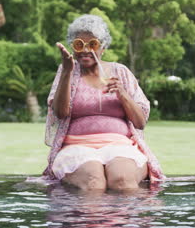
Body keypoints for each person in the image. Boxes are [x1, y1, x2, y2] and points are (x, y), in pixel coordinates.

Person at [42, 14, 164, 191]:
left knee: (122, 181)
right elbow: (60, 113)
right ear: (73, 47)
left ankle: (124, 220)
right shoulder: (66, 70)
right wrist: (67, 72)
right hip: (77, 147)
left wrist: (123, 93)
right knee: (94, 183)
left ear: (103, 47)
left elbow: (140, 122)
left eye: (93, 44)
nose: (85, 50)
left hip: (120, 146)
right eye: (79, 44)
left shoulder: (120, 72)